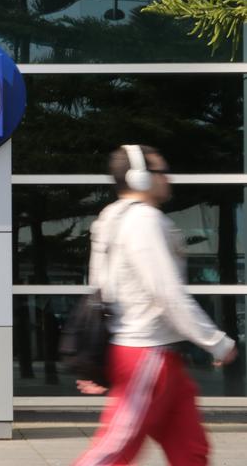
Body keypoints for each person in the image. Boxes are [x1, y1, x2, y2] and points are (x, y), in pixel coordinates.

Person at [73, 144, 238, 466]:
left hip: (160, 356)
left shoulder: (113, 217)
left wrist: (100, 356)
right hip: (145, 354)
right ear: (140, 178)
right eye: (161, 171)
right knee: (113, 451)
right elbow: (166, 292)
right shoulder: (144, 221)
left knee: (191, 450)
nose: (168, 177)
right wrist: (215, 343)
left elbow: (101, 287)